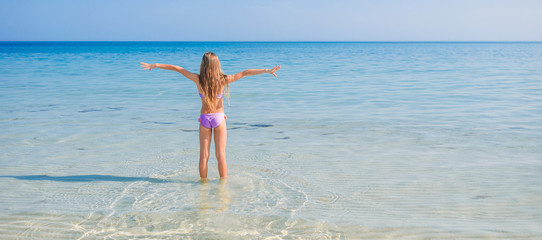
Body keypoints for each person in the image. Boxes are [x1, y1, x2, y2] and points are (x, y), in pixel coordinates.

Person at [140, 52, 280, 181]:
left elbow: (177, 68)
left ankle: (203, 185)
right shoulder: (224, 80)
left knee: (204, 156)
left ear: (203, 65)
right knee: (221, 155)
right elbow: (245, 73)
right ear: (217, 65)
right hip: (219, 118)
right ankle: (223, 186)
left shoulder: (197, 79)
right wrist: (267, 71)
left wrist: (156, 65)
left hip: (205, 119)